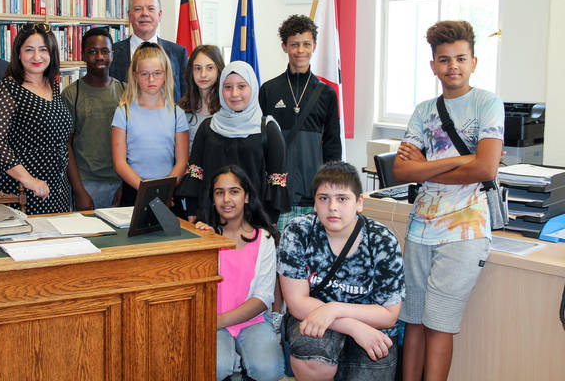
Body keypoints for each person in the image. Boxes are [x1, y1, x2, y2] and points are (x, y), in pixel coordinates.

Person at [392, 20, 504, 381]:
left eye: (460, 58)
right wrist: (459, 160)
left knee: (439, 323)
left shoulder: (487, 103)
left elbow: (486, 168)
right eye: (444, 59)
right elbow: (402, 172)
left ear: (474, 62)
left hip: (464, 230)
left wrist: (427, 167)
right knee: (413, 319)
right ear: (433, 66)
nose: (452, 66)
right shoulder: (424, 111)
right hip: (422, 227)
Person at [278, 161, 404, 381]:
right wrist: (353, 327)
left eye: (342, 199)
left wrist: (334, 309)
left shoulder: (383, 241)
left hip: (372, 327)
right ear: (315, 204)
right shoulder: (298, 232)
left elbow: (388, 315)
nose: (332, 207)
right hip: (313, 319)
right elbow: (297, 303)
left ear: (359, 203)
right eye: (324, 198)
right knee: (313, 361)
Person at [195, 165, 284, 381]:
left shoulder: (264, 239)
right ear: (212, 198)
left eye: (234, 191)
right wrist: (200, 240)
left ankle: (240, 365)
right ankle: (234, 365)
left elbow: (263, 298)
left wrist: (220, 320)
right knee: (215, 366)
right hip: (209, 320)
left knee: (269, 370)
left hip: (250, 319)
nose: (226, 199)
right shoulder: (204, 235)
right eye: (219, 193)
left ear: (246, 197)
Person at [178, 61, 289, 223]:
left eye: (242, 86)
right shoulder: (208, 128)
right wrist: (194, 213)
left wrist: (268, 223)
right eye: (228, 87)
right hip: (211, 224)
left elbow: (276, 181)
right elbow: (195, 174)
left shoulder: (268, 129)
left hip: (255, 224)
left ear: (253, 87)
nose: (235, 93)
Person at [259, 14, 342, 229]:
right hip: (277, 195)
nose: (300, 50)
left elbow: (333, 145)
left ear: (314, 46)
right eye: (294, 44)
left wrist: (328, 189)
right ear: (284, 46)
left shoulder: (327, 93)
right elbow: (260, 145)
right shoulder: (269, 90)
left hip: (313, 195)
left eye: (306, 44)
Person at [0, 23, 74, 215]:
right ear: (18, 53)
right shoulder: (7, 90)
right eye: (29, 50)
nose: (36, 57)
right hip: (23, 191)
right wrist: (28, 180)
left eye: (43, 50)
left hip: (57, 189)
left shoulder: (53, 86)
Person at [111, 42, 189, 206]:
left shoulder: (177, 114)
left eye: (157, 73)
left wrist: (165, 190)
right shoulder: (123, 113)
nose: (151, 79)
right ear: (135, 76)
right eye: (145, 74)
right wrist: (147, 190)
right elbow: (119, 163)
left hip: (167, 192)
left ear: (166, 74)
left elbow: (182, 162)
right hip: (134, 190)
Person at [62, 28, 125, 210]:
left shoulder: (125, 91)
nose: (99, 57)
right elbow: (66, 145)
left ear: (112, 55)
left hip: (120, 181)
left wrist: (124, 183)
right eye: (92, 51)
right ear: (83, 55)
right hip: (86, 184)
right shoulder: (72, 94)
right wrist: (79, 191)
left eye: (105, 51)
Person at [109, 0, 188, 102]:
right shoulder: (112, 53)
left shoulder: (178, 53)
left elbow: (185, 99)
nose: (144, 13)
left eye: (151, 9)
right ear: (129, 16)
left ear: (159, 15)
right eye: (138, 9)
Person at [178, 44, 225, 150]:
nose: (203, 74)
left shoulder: (227, 108)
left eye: (210, 68)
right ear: (191, 71)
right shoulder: (182, 110)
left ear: (218, 70)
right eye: (198, 68)